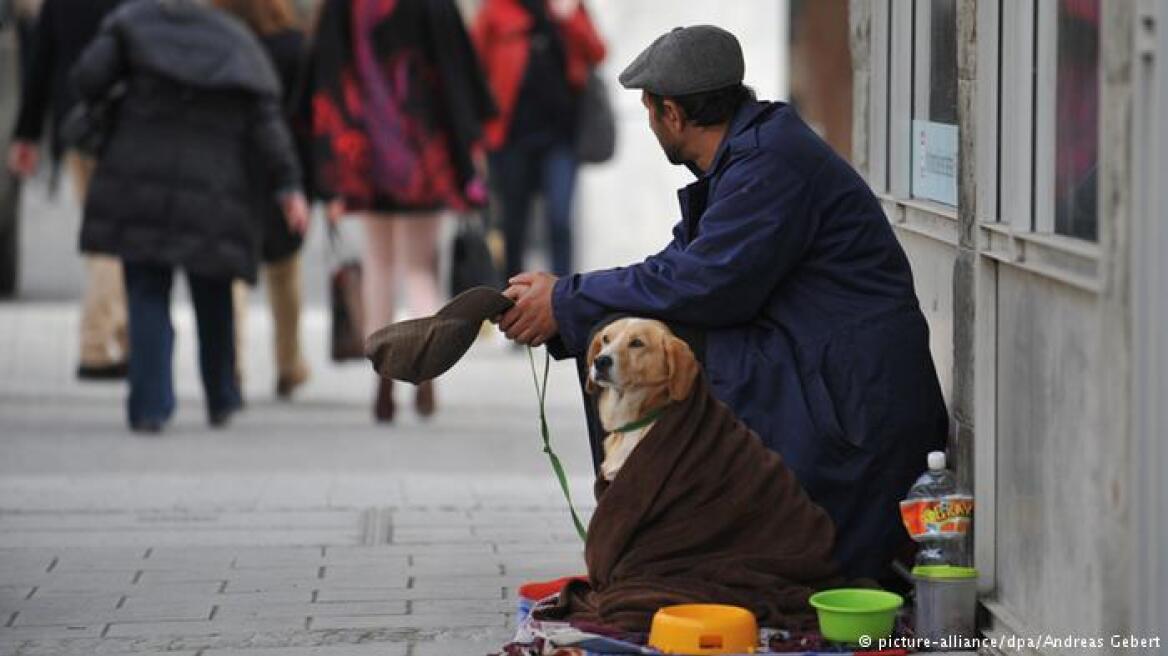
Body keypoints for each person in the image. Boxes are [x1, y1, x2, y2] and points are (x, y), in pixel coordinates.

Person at [499, 25, 949, 581]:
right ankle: (653, 546)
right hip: (821, 375)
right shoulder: (749, 156)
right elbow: (677, 268)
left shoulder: (770, 163)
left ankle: (646, 549)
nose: (649, 124)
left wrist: (567, 299)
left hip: (852, 415)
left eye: (647, 112)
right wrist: (566, 297)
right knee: (625, 335)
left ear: (672, 114)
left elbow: (703, 285)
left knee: (633, 351)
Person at [71, 0, 309, 433]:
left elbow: (88, 78)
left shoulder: (132, 24)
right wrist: (288, 184)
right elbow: (266, 120)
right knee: (213, 290)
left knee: (145, 291)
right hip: (215, 186)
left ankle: (149, 406)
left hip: (139, 176)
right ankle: (221, 395)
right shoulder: (236, 42)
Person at [306, 0, 495, 423]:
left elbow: (325, 75)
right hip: (424, 154)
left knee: (379, 264)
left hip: (366, 154)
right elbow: (458, 75)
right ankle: (426, 375)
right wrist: (469, 150)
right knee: (420, 267)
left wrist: (327, 165)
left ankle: (383, 379)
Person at [7, 0, 126, 380]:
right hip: (127, 125)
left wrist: (26, 133)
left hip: (77, 124)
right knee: (118, 237)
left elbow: (41, 63)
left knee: (102, 233)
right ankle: (100, 339)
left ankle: (116, 336)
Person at [217, 0, 312, 400]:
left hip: (229, 169)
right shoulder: (293, 45)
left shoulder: (219, 42)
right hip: (283, 168)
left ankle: (232, 366)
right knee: (284, 269)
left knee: (231, 275)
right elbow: (308, 113)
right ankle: (289, 362)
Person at [472, 0, 605, 280]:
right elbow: (474, 67)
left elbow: (597, 51)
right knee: (513, 225)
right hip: (511, 139)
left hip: (561, 139)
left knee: (559, 221)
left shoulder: (567, 6)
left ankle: (565, 295)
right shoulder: (496, 9)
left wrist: (569, 18)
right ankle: (510, 302)